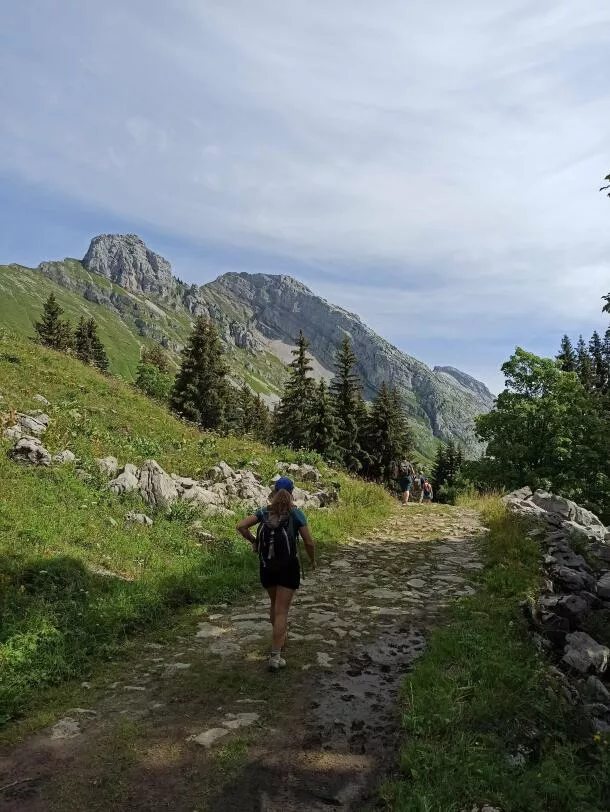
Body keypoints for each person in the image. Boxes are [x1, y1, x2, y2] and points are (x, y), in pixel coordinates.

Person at [237, 477, 316, 672]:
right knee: (282, 611)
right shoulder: (296, 513)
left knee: (274, 605)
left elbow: (241, 526)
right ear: (292, 492)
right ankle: (275, 655)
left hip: (267, 566)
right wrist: (312, 560)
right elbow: (309, 542)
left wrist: (254, 541)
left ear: (274, 491)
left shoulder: (264, 512)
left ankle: (279, 639)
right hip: (288, 567)